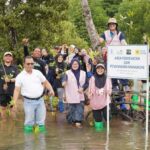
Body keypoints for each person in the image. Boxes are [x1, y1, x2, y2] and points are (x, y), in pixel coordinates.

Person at [13, 56, 54, 133]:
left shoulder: (38, 73)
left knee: (41, 123)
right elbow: (17, 90)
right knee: (29, 123)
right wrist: (14, 102)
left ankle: (41, 143)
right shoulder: (20, 76)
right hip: (28, 102)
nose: (30, 65)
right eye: (28, 64)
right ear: (24, 64)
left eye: (32, 63)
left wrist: (51, 89)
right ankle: (28, 143)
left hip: (40, 101)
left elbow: (45, 82)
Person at [99, 17, 129, 92]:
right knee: (111, 70)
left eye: (113, 24)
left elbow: (123, 42)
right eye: (110, 24)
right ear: (108, 25)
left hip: (119, 55)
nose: (112, 25)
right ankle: (115, 86)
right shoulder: (105, 33)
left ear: (116, 25)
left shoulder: (120, 33)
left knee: (122, 69)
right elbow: (100, 40)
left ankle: (125, 85)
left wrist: (127, 47)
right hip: (109, 55)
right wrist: (99, 40)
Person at [62, 59, 88, 128]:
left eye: (76, 64)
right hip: (70, 94)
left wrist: (83, 88)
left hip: (80, 93)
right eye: (73, 64)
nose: (75, 65)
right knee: (71, 109)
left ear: (79, 65)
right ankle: (72, 120)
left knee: (79, 108)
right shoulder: (67, 73)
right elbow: (64, 79)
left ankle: (78, 122)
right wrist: (64, 82)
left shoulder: (83, 73)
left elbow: (86, 83)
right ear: (71, 65)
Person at [88, 64, 112, 131]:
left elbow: (109, 89)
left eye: (102, 68)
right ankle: (99, 136)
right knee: (98, 121)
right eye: (98, 68)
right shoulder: (92, 78)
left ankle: (107, 132)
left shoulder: (107, 78)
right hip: (95, 102)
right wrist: (90, 95)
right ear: (96, 69)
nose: (100, 70)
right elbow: (90, 90)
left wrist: (109, 91)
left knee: (108, 117)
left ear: (104, 70)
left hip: (105, 101)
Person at [0, 52, 18, 120]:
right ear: (4, 58)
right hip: (2, 91)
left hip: (12, 91)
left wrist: (10, 80)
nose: (8, 57)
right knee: (2, 108)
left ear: (12, 58)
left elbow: (17, 78)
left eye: (9, 56)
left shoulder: (15, 67)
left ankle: (13, 123)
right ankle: (4, 122)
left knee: (13, 108)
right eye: (6, 56)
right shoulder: (0, 66)